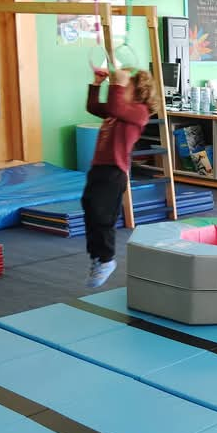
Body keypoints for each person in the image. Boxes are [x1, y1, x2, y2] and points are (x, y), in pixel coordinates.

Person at [82, 66, 159, 288]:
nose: (122, 88)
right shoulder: (117, 111)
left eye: (127, 86)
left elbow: (115, 105)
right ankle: (97, 257)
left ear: (138, 92)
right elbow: (93, 106)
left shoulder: (139, 112)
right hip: (99, 167)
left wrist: (117, 82)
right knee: (89, 208)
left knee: (102, 214)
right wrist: (97, 84)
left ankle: (106, 259)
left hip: (114, 171)